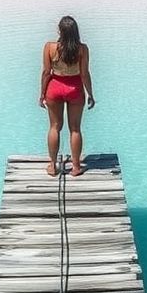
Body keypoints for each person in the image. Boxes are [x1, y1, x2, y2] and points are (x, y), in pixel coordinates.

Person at [39, 15, 95, 177]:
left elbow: (46, 73)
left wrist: (41, 93)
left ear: (59, 31)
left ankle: (53, 165)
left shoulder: (50, 47)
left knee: (54, 127)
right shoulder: (82, 49)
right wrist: (90, 94)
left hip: (54, 88)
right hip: (75, 88)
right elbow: (84, 74)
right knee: (75, 129)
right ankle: (76, 167)